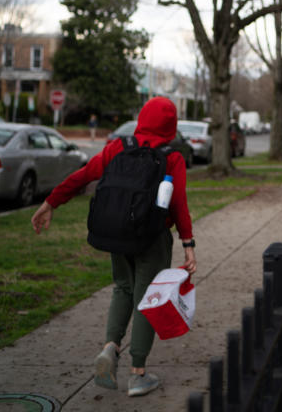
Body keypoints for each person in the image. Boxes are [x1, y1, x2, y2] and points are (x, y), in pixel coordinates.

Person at [31, 97, 196, 397]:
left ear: (142, 119)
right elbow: (179, 204)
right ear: (171, 126)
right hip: (153, 238)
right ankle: (138, 374)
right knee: (149, 298)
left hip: (117, 233)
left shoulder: (118, 148)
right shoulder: (172, 157)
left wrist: (50, 202)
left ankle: (110, 347)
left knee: (122, 287)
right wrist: (188, 243)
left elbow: (82, 177)